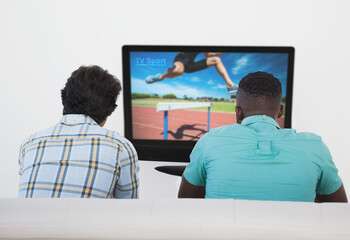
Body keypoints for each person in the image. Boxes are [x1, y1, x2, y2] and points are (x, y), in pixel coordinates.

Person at [178, 71, 347, 202]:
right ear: (281, 111)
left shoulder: (209, 140)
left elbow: (186, 202)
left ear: (238, 112)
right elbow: (338, 210)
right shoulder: (315, 146)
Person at [18, 65, 139, 198]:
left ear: (64, 98)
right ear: (109, 111)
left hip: (22, 219)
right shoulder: (121, 147)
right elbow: (129, 210)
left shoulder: (29, 143)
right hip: (84, 219)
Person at [146, 52, 239, 94]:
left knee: (216, 60)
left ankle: (230, 85)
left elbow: (208, 55)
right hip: (181, 59)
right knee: (178, 71)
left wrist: (219, 53)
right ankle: (160, 77)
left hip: (191, 65)